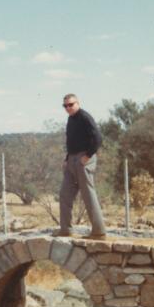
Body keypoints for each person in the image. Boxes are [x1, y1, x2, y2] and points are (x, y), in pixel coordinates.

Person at [54, 93, 107, 240]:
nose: (68, 108)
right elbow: (71, 141)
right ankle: (65, 230)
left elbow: (97, 138)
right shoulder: (70, 119)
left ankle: (99, 231)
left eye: (71, 104)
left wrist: (88, 156)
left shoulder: (85, 117)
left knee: (88, 194)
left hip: (84, 159)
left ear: (78, 103)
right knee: (64, 194)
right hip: (72, 160)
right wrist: (67, 159)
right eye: (65, 106)